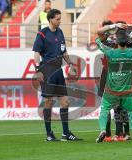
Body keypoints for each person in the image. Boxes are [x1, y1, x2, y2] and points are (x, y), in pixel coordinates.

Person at [32, 9, 82, 141]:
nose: (60, 21)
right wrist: (37, 70)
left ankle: (66, 133)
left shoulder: (60, 33)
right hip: (47, 70)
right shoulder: (42, 34)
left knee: (65, 102)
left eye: (60, 19)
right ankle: (49, 134)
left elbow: (63, 50)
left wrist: (70, 64)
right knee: (48, 101)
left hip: (58, 70)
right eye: (58, 19)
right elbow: (36, 53)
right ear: (50, 19)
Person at [95, 24, 132, 143]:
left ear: (116, 39)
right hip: (126, 88)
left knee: (104, 110)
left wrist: (113, 25)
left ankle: (103, 130)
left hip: (111, 87)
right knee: (131, 111)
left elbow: (99, 34)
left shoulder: (109, 51)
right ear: (127, 39)